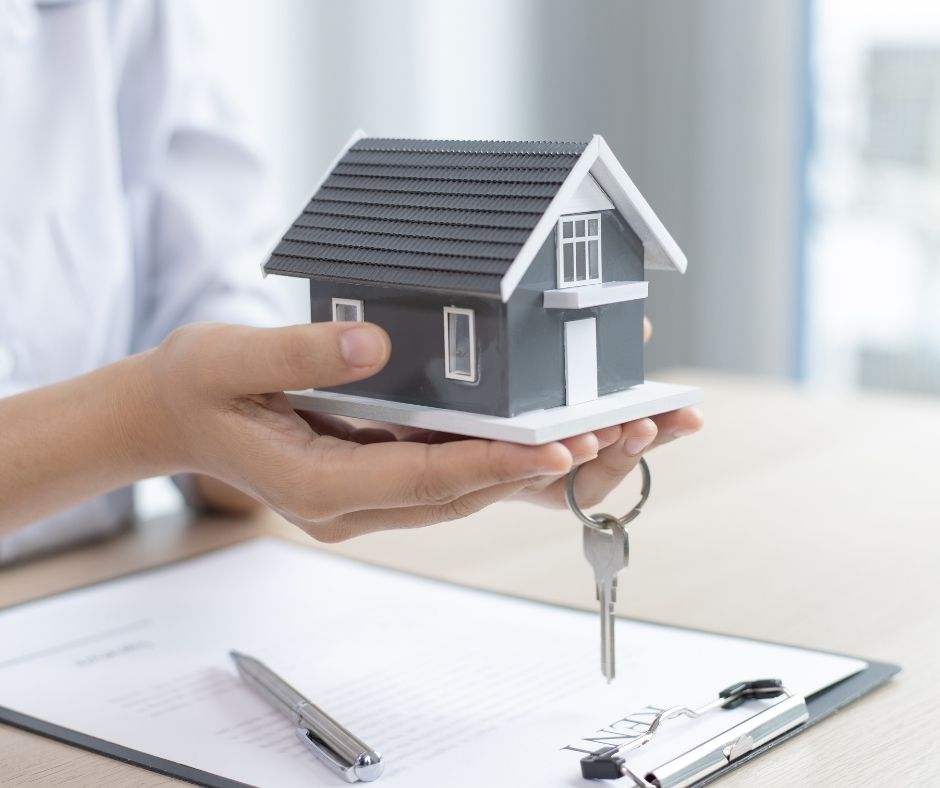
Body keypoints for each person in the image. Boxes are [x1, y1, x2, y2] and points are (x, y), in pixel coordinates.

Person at [0, 1, 702, 564]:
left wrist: (262, 440)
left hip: (116, 571)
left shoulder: (128, 16)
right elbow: (171, 409)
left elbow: (208, 300)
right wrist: (144, 420)